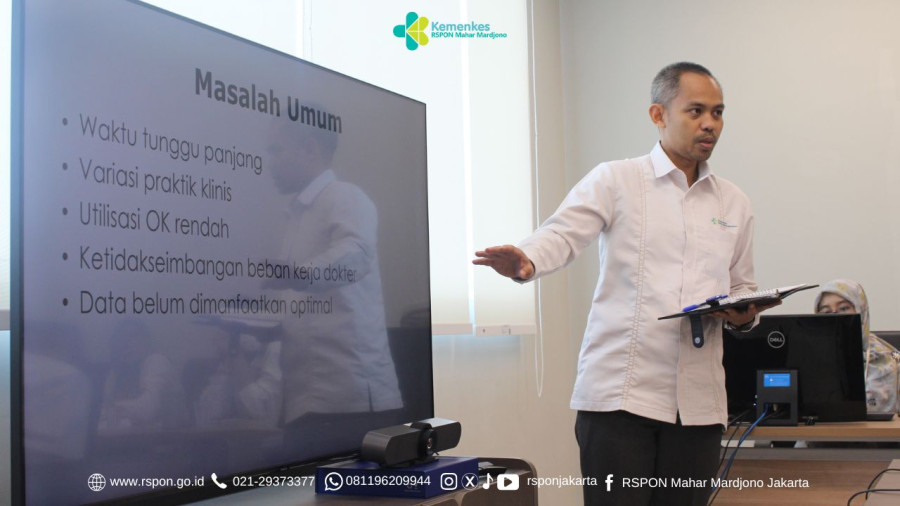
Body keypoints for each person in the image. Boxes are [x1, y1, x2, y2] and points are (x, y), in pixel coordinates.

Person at [474, 62, 779, 506]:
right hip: (620, 398)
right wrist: (528, 259)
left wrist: (744, 316)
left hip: (699, 406)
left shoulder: (733, 202)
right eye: (695, 111)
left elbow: (741, 286)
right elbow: (562, 233)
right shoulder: (617, 179)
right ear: (659, 115)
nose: (710, 123)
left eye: (717, 112)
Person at [814, 279, 900, 417]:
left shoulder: (887, 358)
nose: (836, 316)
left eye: (844, 308)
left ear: (861, 309)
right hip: (821, 429)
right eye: (826, 312)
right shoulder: (811, 357)